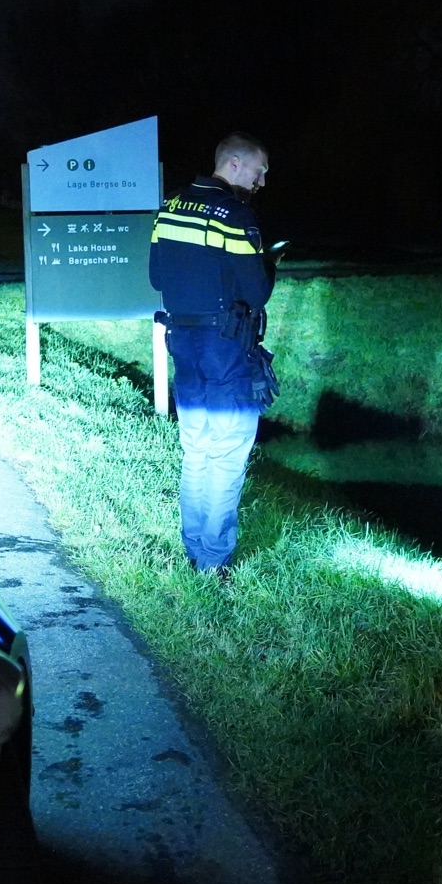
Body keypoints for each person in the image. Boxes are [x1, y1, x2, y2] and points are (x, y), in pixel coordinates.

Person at [148, 132, 273, 576]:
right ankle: (214, 562)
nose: (261, 181)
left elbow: (154, 276)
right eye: (259, 171)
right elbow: (256, 293)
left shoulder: (171, 206)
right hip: (226, 352)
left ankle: (193, 549)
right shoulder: (236, 216)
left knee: (197, 451)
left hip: (183, 346)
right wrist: (267, 263)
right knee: (226, 454)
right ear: (235, 165)